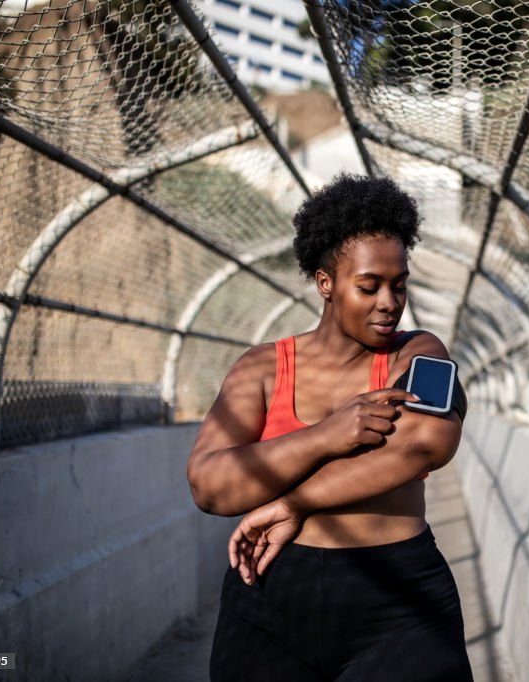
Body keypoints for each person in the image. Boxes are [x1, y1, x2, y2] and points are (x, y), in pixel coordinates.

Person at [186, 173, 473, 681]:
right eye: (369, 286)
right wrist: (326, 435)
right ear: (325, 283)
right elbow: (210, 485)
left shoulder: (420, 352)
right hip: (270, 598)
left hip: (398, 599)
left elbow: (426, 442)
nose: (389, 301)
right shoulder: (262, 368)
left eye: (399, 285)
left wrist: (293, 503)